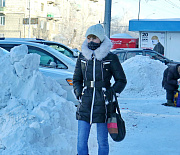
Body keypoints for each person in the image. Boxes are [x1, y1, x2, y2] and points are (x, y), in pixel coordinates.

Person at [73, 24, 127, 155]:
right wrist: (79, 93)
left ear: (101, 39)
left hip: (104, 104)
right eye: (89, 38)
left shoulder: (110, 57)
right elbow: (76, 79)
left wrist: (111, 94)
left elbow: (121, 80)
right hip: (85, 103)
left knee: (102, 141)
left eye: (94, 38)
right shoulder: (82, 56)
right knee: (81, 142)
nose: (91, 41)